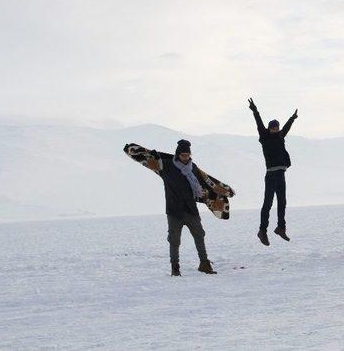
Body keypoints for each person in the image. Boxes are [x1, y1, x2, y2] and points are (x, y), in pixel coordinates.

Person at [123, 140, 234, 275]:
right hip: (174, 210)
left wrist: (223, 189)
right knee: (174, 241)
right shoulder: (166, 165)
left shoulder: (193, 168)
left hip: (191, 209)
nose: (185, 158)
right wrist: (134, 151)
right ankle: (175, 268)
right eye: (183, 155)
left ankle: (204, 264)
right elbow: (149, 160)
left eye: (187, 155)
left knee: (200, 236)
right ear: (177, 154)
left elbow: (206, 181)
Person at [248, 97, 298, 246]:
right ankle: (262, 231)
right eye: (273, 128)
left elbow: (286, 128)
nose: (275, 130)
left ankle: (281, 228)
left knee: (282, 202)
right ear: (269, 128)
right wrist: (255, 110)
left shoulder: (280, 136)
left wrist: (292, 118)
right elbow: (259, 124)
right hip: (270, 175)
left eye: (277, 128)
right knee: (268, 203)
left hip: (281, 174)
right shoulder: (264, 137)